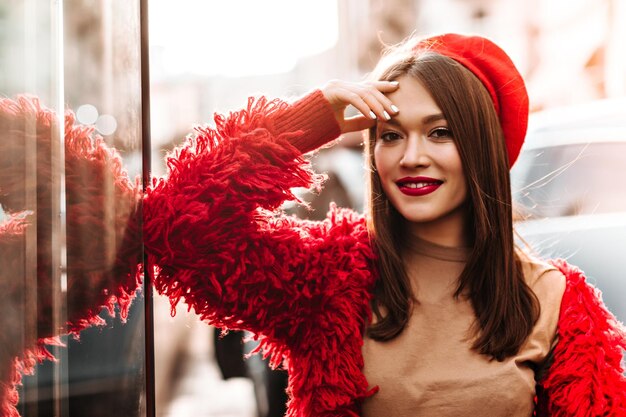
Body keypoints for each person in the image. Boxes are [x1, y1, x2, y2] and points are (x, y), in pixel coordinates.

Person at [143, 33, 626, 416]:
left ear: (483, 149)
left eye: (440, 133)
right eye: (391, 135)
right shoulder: (328, 279)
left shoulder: (555, 300)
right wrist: (304, 123)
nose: (411, 157)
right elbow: (179, 227)